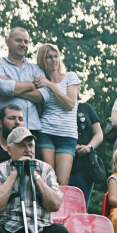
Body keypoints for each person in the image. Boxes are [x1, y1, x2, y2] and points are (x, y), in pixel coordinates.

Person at [34, 43, 80, 185]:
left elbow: (70, 104)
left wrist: (50, 85)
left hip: (67, 134)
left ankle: (61, 208)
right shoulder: (40, 81)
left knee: (62, 181)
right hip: (46, 131)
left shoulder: (70, 77)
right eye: (49, 57)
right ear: (42, 60)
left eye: (56, 56)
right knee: (48, 177)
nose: (54, 60)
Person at [0, 27, 44, 136]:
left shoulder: (36, 69)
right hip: (1, 129)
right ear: (7, 42)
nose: (23, 44)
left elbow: (43, 96)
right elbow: (4, 88)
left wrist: (13, 85)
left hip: (31, 129)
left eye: (26, 41)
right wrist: (33, 85)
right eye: (18, 40)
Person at [70, 99, 104, 209]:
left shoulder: (86, 108)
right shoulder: (57, 108)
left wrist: (89, 147)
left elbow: (99, 134)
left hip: (85, 161)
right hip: (64, 158)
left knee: (82, 205)